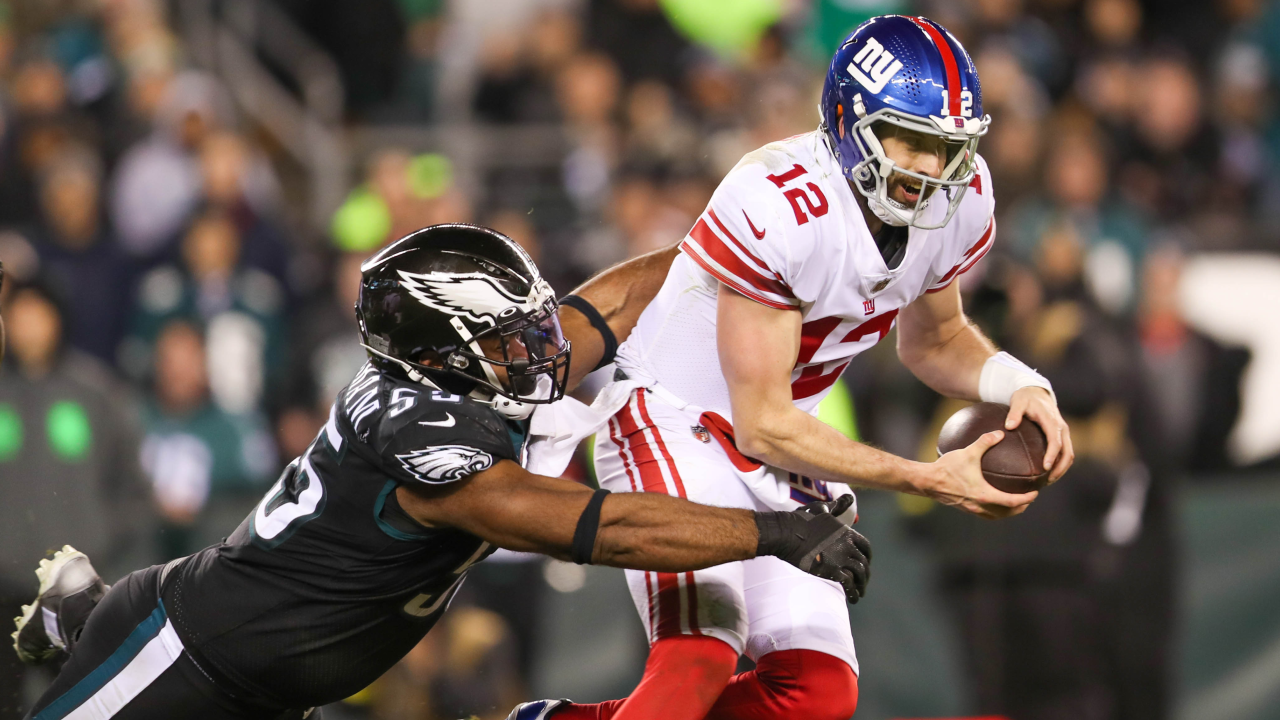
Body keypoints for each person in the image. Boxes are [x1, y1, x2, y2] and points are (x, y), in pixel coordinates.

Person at [11, 224, 872, 720]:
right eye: (508, 337)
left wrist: (743, 246)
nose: (537, 349)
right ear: (441, 355)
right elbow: (598, 526)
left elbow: (609, 303)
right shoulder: (424, 433)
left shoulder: (464, 373)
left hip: (270, 689)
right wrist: (773, 533)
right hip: (189, 657)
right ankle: (97, 622)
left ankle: (85, 614)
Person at [519, 15, 1075, 720]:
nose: (931, 169)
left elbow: (934, 341)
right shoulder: (780, 203)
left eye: (948, 146)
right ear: (850, 122)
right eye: (911, 140)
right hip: (675, 417)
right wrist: (924, 477)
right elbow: (760, 423)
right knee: (698, 656)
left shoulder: (958, 203)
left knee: (817, 693)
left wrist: (1020, 382)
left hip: (782, 436)